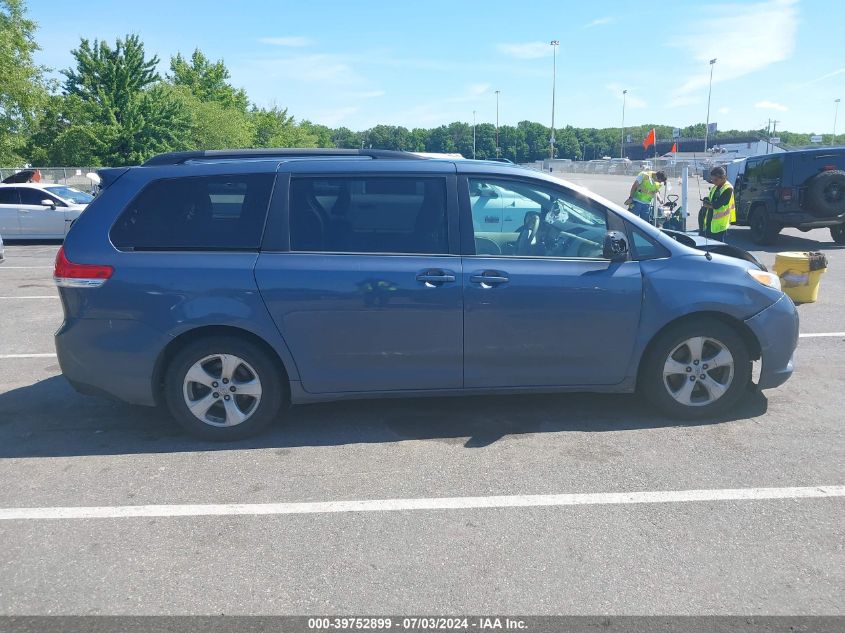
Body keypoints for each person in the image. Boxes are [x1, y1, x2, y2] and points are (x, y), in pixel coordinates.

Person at [700, 166, 736, 242]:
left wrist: (707, 205)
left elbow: (717, 205)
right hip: (711, 223)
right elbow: (711, 199)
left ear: (723, 178)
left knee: (718, 247)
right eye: (712, 179)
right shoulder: (716, 187)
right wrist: (706, 200)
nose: (713, 182)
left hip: (719, 225)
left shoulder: (728, 189)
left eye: (715, 180)